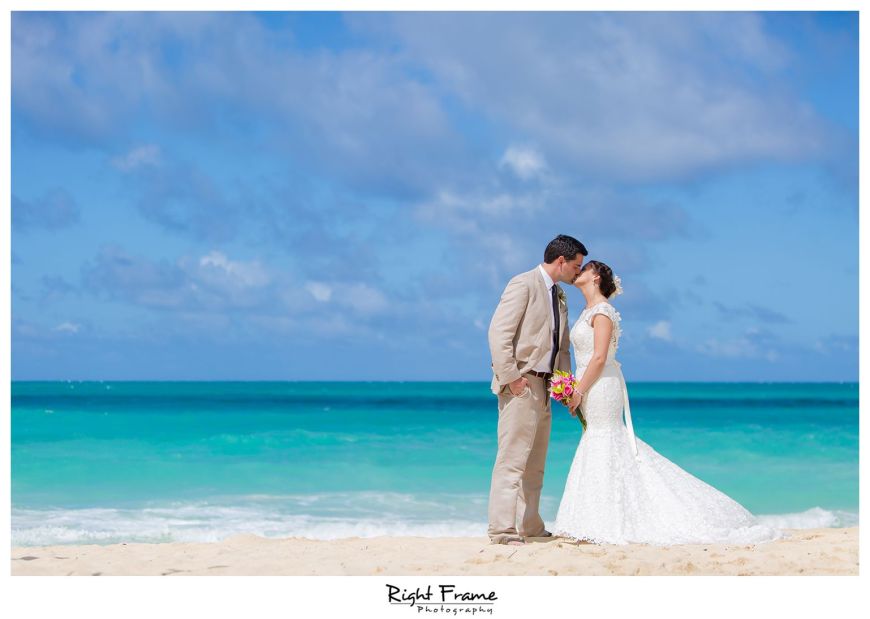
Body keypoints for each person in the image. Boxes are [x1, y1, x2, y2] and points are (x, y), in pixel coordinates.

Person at [553, 260, 782, 545]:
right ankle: (589, 518)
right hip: (589, 384)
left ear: (596, 277)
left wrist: (578, 391)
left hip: (600, 385)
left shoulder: (602, 312)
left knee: (605, 438)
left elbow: (599, 357)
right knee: (596, 439)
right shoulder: (587, 311)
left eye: (584, 268)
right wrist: (572, 388)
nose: (578, 272)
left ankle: (603, 521)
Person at [487, 234, 587, 545]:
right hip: (522, 382)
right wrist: (512, 378)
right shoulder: (523, 284)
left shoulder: (559, 294)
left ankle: (529, 525)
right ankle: (502, 530)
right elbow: (498, 333)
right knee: (512, 459)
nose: (578, 272)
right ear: (561, 261)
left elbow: (562, 347)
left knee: (536, 463)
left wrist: (564, 387)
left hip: (545, 386)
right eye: (576, 266)